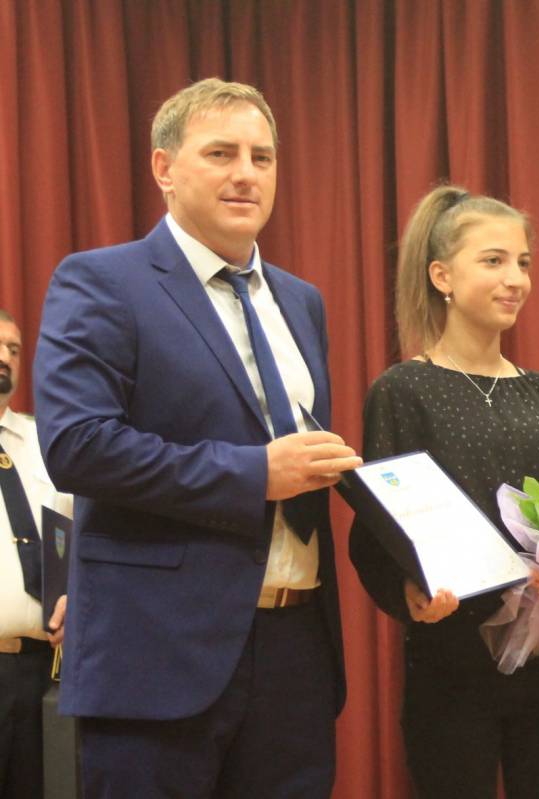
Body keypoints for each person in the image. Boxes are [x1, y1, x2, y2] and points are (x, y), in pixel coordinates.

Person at [33, 78, 361, 797]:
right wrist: (254, 473)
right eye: (221, 153)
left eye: (262, 157)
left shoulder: (302, 301)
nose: (246, 173)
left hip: (296, 650)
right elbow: (77, 445)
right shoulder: (102, 281)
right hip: (156, 655)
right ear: (164, 168)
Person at [349, 185, 539, 798]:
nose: (515, 279)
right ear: (442, 276)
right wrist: (408, 592)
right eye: (493, 261)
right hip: (451, 665)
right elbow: (376, 531)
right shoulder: (402, 391)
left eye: (523, 262)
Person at [0, 310, 71, 799]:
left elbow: (84, 539)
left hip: (36, 671)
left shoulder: (49, 446)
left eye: (14, 349)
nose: (5, 357)